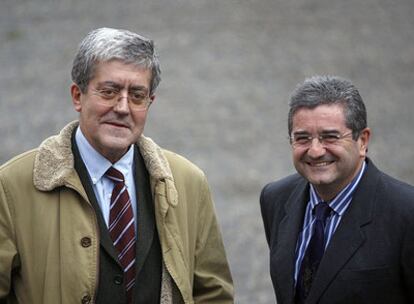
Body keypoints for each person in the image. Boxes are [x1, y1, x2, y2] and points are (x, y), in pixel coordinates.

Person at [0, 27, 233, 304]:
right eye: (109, 92)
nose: (123, 107)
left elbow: (214, 294)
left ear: (150, 102)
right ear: (77, 95)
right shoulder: (12, 186)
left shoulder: (189, 182)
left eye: (137, 95)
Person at [260, 75, 414, 304]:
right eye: (302, 138)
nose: (315, 151)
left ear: (362, 141)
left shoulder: (406, 212)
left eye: (329, 137)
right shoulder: (276, 199)